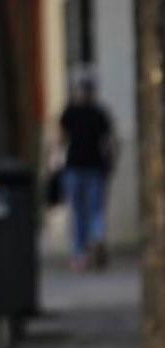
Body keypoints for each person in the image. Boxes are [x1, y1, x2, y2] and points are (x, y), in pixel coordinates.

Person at [58, 75, 117, 271]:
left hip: (74, 167)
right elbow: (110, 143)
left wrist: (54, 162)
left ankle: (79, 255)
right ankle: (97, 238)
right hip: (95, 167)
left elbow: (59, 139)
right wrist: (110, 166)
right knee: (95, 210)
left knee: (77, 213)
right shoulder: (100, 114)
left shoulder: (70, 112)